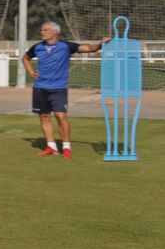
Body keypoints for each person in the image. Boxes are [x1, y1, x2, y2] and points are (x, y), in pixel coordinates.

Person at [21, 21, 107, 158]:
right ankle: (51, 147)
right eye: (42, 30)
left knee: (61, 116)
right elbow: (25, 58)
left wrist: (101, 43)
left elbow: (90, 48)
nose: (42, 32)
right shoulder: (37, 47)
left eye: (45, 30)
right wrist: (31, 72)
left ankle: (66, 147)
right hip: (40, 88)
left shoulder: (67, 46)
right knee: (44, 117)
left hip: (58, 88)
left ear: (55, 32)